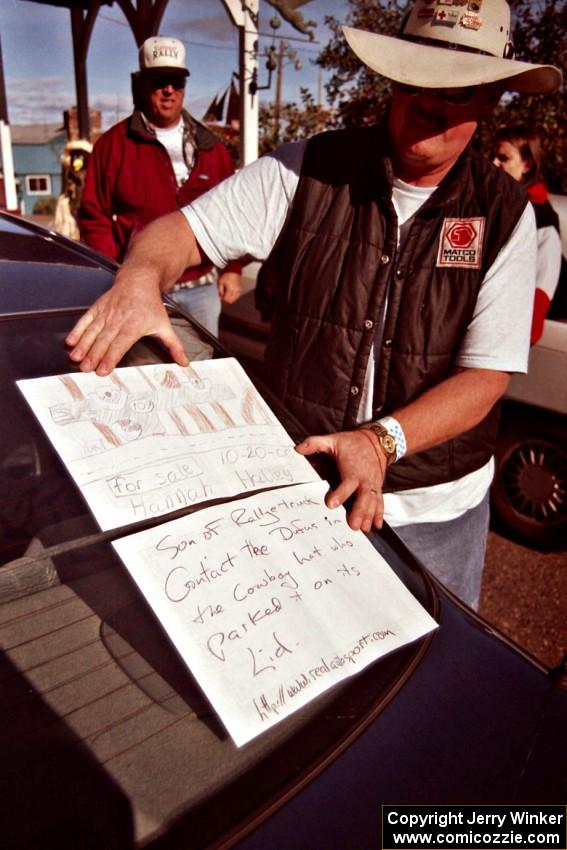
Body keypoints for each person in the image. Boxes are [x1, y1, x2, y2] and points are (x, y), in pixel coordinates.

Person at [66, 0, 562, 609]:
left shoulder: (507, 214)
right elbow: (179, 232)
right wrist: (140, 278)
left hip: (436, 513)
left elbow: (486, 377)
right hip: (309, 495)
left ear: (490, 98)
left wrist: (381, 441)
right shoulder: (306, 168)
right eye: (415, 78)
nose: (430, 101)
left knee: (428, 683)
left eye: (456, 90)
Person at [78, 35, 242, 335]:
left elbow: (232, 211)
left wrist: (232, 268)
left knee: (204, 373)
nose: (168, 90)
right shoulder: (113, 146)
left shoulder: (212, 149)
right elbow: (93, 215)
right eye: (158, 80)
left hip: (201, 288)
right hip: (139, 288)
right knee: (144, 371)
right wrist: (113, 272)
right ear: (141, 84)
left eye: (177, 81)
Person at [491, 125, 562, 343]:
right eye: (493, 156)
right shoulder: (495, 205)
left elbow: (541, 288)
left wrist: (508, 342)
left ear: (527, 165)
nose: (494, 163)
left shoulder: (541, 219)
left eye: (503, 158)